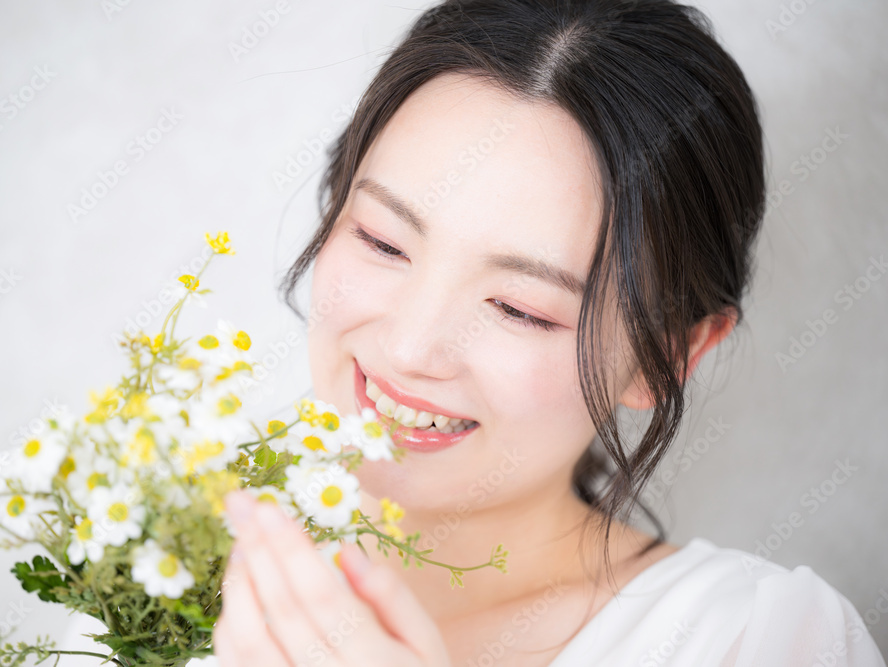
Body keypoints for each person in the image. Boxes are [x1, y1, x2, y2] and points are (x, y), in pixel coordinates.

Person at [63, 1, 886, 665]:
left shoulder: (754, 639)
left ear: (669, 354)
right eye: (383, 242)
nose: (411, 348)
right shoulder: (151, 582)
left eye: (520, 307)